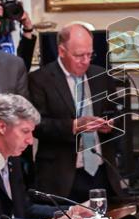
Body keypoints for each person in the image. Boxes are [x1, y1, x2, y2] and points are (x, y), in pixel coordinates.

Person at [0, 93, 89, 219]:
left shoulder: (13, 157)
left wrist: (71, 210)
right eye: (25, 131)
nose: (30, 141)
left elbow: (25, 208)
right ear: (2, 127)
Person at [29, 23, 118, 201]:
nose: (85, 61)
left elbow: (115, 112)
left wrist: (110, 124)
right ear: (62, 51)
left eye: (89, 54)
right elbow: (37, 125)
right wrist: (74, 126)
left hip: (101, 170)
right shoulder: (39, 80)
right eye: (79, 55)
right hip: (62, 176)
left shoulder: (101, 75)